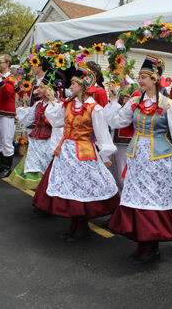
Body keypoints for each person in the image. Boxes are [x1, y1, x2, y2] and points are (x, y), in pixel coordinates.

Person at [104, 54, 172, 265]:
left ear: (155, 79)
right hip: (136, 159)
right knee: (137, 202)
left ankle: (152, 248)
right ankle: (141, 244)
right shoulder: (134, 102)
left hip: (159, 162)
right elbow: (115, 121)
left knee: (151, 204)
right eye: (140, 76)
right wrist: (114, 98)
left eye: (145, 76)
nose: (141, 80)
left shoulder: (168, 104)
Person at [32, 63, 119, 242]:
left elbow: (102, 133)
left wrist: (105, 155)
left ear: (83, 86)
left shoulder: (95, 108)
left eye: (73, 84)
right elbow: (56, 122)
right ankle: (75, 224)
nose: (70, 87)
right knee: (70, 188)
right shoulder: (68, 104)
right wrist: (53, 102)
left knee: (82, 189)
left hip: (84, 152)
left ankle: (82, 226)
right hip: (66, 152)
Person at [9, 67, 69, 191]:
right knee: (36, 170)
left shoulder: (58, 106)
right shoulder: (38, 104)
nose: (37, 90)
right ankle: (39, 199)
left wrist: (52, 101)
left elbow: (57, 125)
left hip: (49, 142)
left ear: (49, 90)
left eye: (41, 87)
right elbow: (27, 119)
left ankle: (46, 199)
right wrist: (24, 105)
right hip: (36, 142)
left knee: (48, 171)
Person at [0, 54, 24, 179]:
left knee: (7, 140)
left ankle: (7, 168)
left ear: (7, 63)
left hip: (6, 114)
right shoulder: (2, 78)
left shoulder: (11, 78)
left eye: (1, 62)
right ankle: (0, 165)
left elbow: (8, 93)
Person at [107, 73, 141, 192]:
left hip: (125, 139)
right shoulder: (117, 93)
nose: (114, 76)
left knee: (123, 174)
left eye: (117, 74)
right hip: (113, 136)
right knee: (112, 172)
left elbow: (136, 117)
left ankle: (126, 199)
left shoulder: (135, 93)